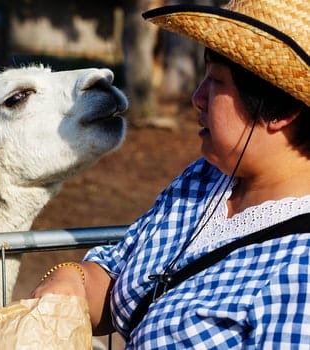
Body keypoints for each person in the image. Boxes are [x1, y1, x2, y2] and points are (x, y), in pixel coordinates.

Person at [32, 0, 310, 348]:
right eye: (203, 78)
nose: (198, 98)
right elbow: (120, 276)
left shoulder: (301, 269)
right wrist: (70, 281)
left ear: (281, 110)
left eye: (217, 82)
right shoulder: (204, 180)